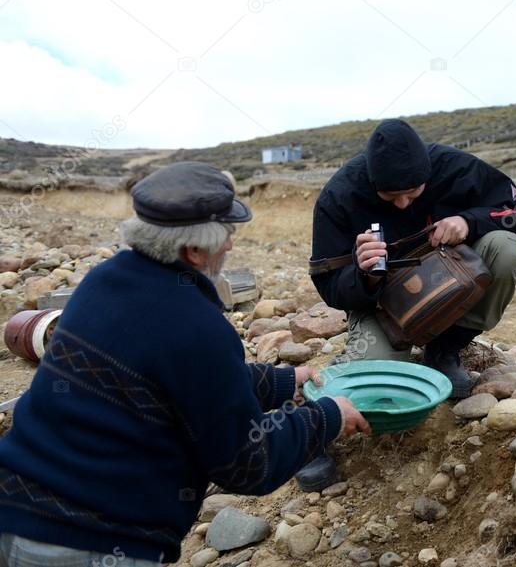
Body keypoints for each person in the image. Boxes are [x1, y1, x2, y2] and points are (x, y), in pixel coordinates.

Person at [0, 161, 369, 565]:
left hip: (13, 507)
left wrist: (284, 382)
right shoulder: (195, 324)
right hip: (89, 543)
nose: (230, 245)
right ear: (193, 250)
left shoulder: (100, 282)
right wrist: (327, 416)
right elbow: (247, 465)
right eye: (227, 235)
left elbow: (183, 382)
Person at [310, 119, 516, 398]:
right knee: (370, 383)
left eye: (413, 193)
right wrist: (364, 275)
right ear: (371, 181)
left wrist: (469, 222)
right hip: (383, 305)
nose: (403, 204)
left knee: (505, 247)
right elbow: (329, 286)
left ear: (428, 173)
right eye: (391, 197)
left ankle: (444, 350)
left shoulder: (454, 167)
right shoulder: (339, 196)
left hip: (451, 279)